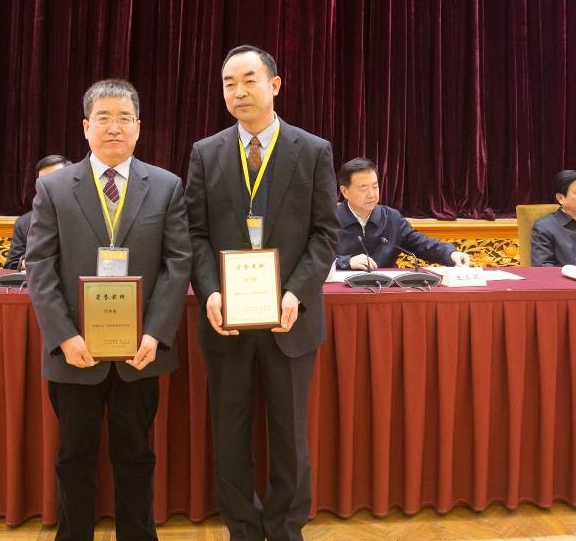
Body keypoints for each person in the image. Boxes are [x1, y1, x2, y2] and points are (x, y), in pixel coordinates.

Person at [25, 79, 191, 541]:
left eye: (124, 118)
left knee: (136, 455)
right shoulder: (55, 188)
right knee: (73, 457)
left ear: (138, 127)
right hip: (75, 350)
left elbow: (178, 263)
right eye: (103, 118)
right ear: (85, 127)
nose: (114, 127)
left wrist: (156, 333)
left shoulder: (166, 186)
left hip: (140, 350)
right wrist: (63, 336)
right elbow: (39, 265)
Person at [185, 45, 339, 541]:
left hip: (290, 319)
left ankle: (286, 528)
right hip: (225, 319)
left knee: (289, 435)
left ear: (274, 85)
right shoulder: (206, 153)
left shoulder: (312, 150)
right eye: (229, 83)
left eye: (249, 80)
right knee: (230, 434)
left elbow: (325, 234)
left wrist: (296, 293)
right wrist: (209, 291)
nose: (238, 91)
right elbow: (195, 234)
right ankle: (243, 529)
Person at [334, 157, 470, 270]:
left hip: (384, 289)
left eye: (375, 186)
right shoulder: (329, 220)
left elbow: (422, 244)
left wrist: (450, 254)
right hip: (342, 289)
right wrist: (346, 262)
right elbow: (320, 259)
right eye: (363, 188)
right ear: (345, 191)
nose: (372, 194)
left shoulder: (391, 218)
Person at [6, 154, 71, 270]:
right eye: (44, 181)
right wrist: (28, 262)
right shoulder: (24, 222)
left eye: (55, 179)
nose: (49, 185)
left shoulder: (86, 214)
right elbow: (12, 263)